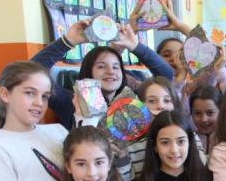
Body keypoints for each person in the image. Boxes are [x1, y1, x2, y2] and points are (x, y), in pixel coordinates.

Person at [31, 20, 173, 129]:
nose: (110, 71)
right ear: (88, 70)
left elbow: (166, 76)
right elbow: (32, 72)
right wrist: (68, 41)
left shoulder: (134, 100)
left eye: (116, 67)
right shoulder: (70, 101)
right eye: (101, 66)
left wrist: (135, 45)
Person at [189, 85, 222, 152]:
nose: (204, 119)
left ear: (221, 112)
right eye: (197, 113)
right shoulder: (188, 141)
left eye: (210, 113)